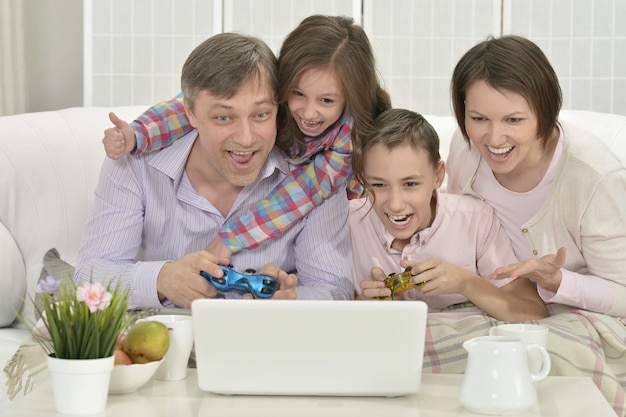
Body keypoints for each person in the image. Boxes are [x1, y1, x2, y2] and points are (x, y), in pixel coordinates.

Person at [74, 32, 354, 309]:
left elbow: (334, 290)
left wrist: (293, 300)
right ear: (191, 113)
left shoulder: (317, 175)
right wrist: (161, 279)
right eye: (223, 117)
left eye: (260, 115)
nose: (246, 138)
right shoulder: (134, 166)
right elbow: (89, 280)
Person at [102, 15, 391, 259]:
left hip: (352, 222)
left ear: (348, 100)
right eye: (298, 94)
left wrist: (229, 240)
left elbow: (298, 197)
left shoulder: (345, 144)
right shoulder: (272, 97)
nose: (309, 113)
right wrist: (137, 134)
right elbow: (191, 104)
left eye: (327, 101)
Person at [446, 35, 626, 317]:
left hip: (577, 317)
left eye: (513, 120)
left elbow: (623, 294)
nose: (494, 138)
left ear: (545, 112)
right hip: (496, 306)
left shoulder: (595, 178)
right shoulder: (464, 148)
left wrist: (558, 281)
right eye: (478, 119)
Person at [350, 108, 548, 321]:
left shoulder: (475, 220)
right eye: (379, 184)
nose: (396, 204)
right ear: (362, 179)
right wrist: (363, 304)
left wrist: (465, 282)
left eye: (410, 184)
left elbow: (534, 312)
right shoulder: (348, 222)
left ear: (438, 176)